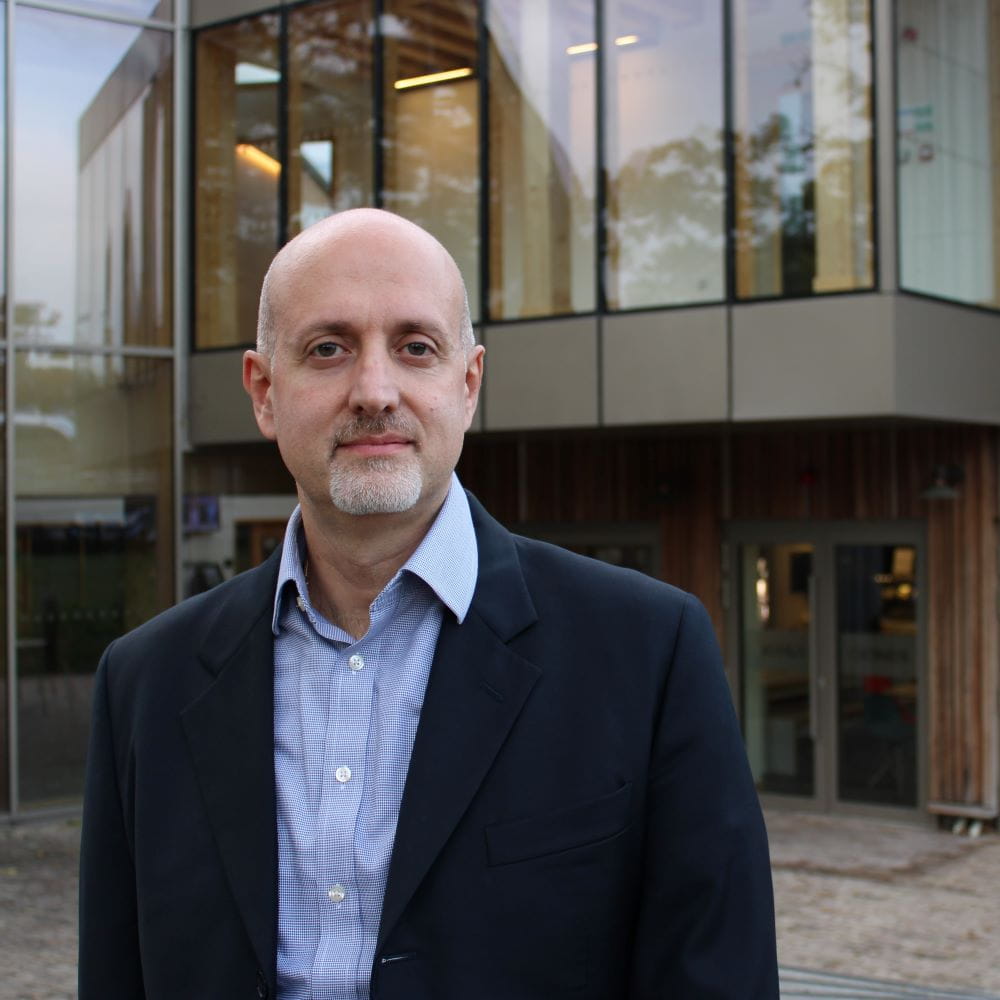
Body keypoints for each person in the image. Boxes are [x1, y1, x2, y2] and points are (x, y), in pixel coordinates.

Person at [79, 208, 778, 999]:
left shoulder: (649, 651)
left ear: (468, 383)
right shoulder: (144, 683)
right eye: (328, 348)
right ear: (265, 392)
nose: (375, 391)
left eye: (416, 348)